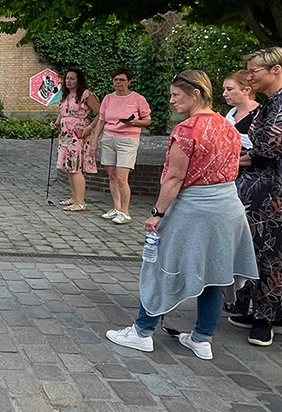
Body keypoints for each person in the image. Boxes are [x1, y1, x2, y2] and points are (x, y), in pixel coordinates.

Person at [106, 70, 258, 360]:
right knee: (216, 272)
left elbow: (174, 178)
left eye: (177, 94)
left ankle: (142, 331)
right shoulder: (228, 126)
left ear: (196, 94)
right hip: (228, 207)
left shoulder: (187, 130)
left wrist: (157, 213)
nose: (172, 100)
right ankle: (202, 339)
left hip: (194, 208)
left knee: (162, 267)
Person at [231, 47, 282, 346]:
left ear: (276, 70)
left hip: (277, 188)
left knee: (271, 249)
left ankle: (266, 319)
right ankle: (273, 313)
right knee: (266, 246)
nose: (250, 76)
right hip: (268, 185)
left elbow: (269, 149)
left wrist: (230, 159)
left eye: (254, 71)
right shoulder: (274, 102)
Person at [90, 68, 151, 224]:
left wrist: (134, 122)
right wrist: (95, 139)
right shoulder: (108, 99)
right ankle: (116, 208)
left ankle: (125, 211)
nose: (118, 83)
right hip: (109, 138)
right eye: (116, 80)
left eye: (122, 80)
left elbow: (147, 120)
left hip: (128, 140)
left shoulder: (138, 99)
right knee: (111, 175)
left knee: (122, 177)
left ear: (129, 81)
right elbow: (102, 120)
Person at [50, 69, 100, 211]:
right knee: (69, 167)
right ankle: (74, 197)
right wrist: (56, 122)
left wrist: (90, 127)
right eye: (67, 78)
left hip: (78, 134)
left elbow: (101, 112)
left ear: (78, 80)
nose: (69, 81)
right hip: (65, 134)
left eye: (72, 78)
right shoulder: (65, 95)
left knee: (75, 166)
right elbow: (63, 113)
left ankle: (80, 202)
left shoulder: (85, 94)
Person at [222, 71, 260, 150]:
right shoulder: (230, 116)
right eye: (224, 89)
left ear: (246, 90)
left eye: (229, 89)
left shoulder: (261, 114)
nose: (224, 94)